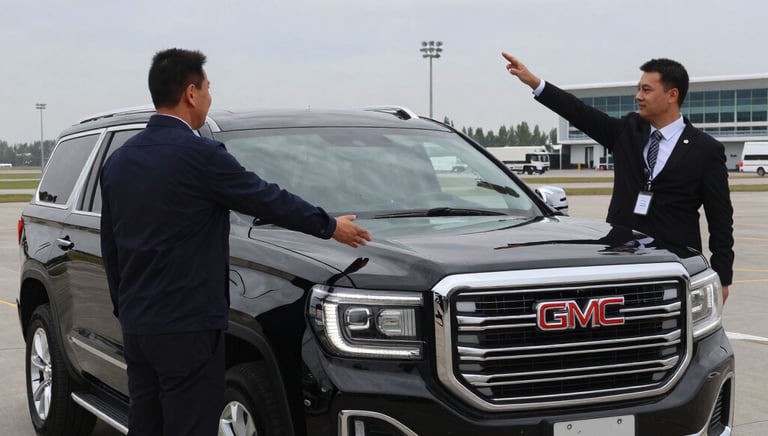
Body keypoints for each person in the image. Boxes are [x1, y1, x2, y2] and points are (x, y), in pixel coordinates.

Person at [100, 48, 372, 436]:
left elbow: (111, 246)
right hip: (188, 328)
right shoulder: (200, 155)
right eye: (208, 89)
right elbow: (266, 197)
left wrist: (125, 309)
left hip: (139, 326)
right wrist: (329, 226)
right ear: (190, 93)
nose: (211, 99)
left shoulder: (119, 162)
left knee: (146, 423)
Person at [501, 52, 734, 301]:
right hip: (620, 260)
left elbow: (720, 219)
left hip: (675, 265)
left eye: (646, 90)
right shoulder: (627, 132)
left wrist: (722, 276)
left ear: (671, 95)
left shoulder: (706, 149)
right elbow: (579, 112)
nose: (638, 96)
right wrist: (535, 83)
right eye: (638, 89)